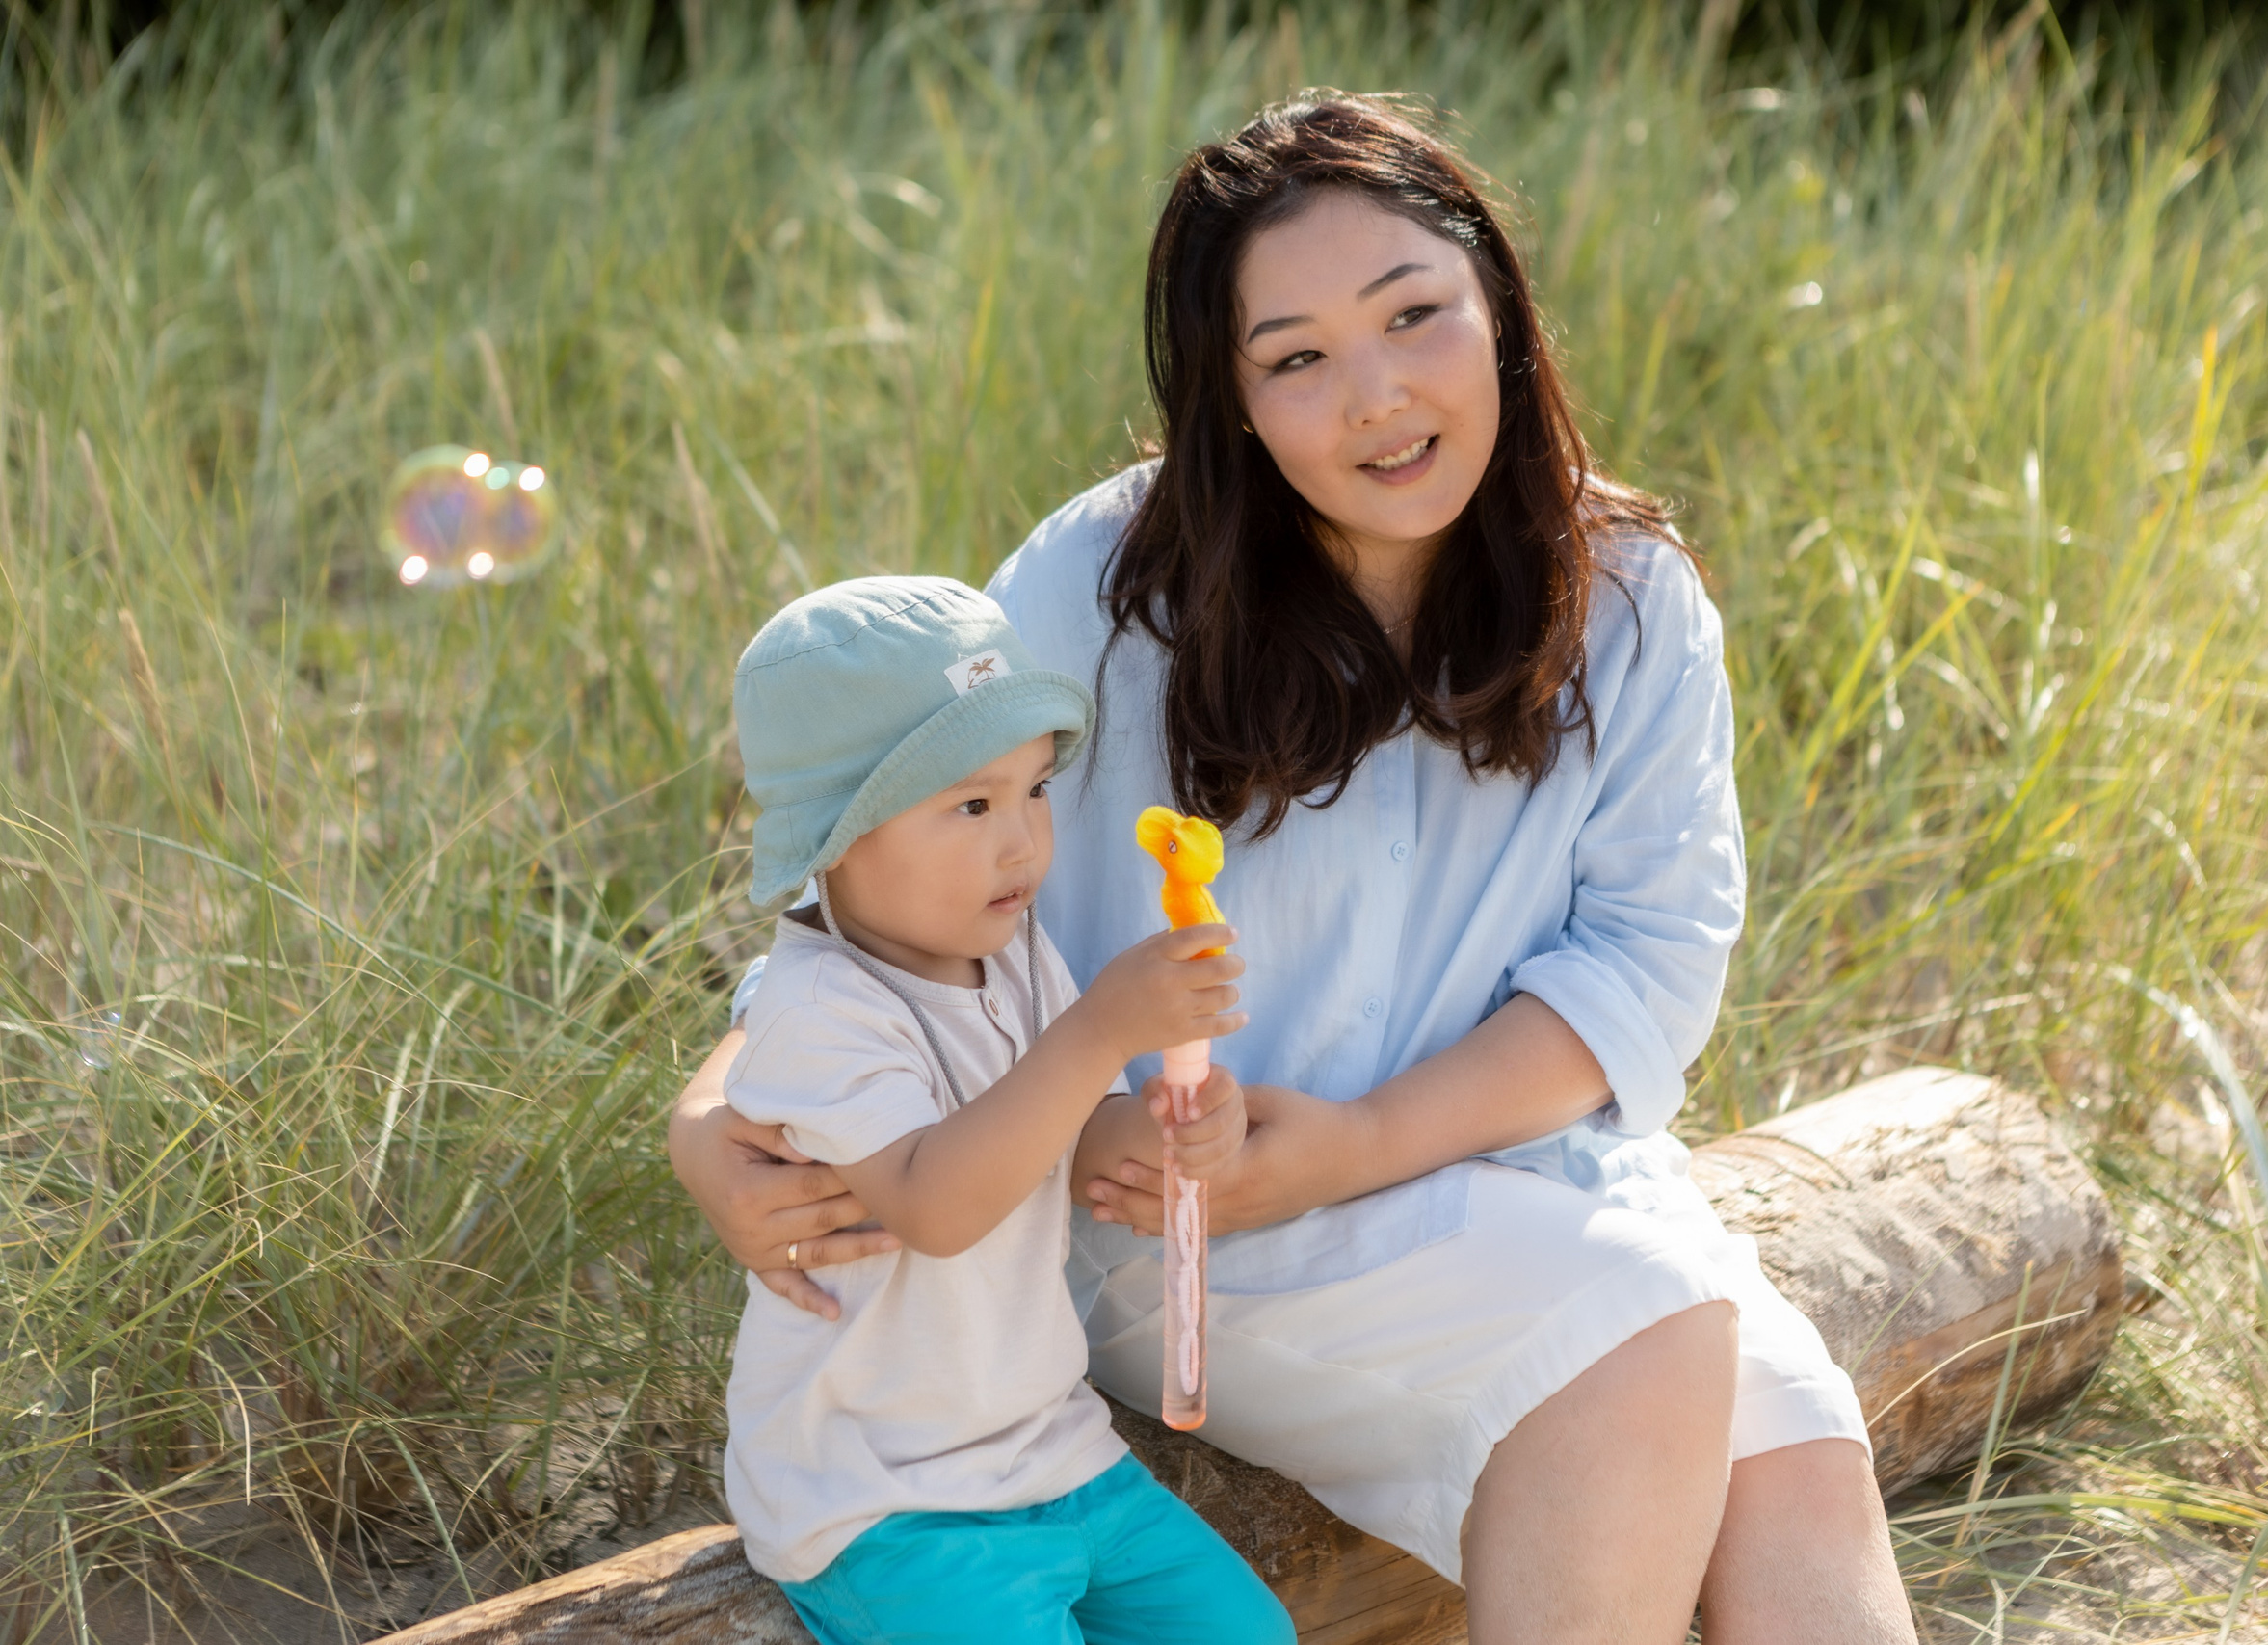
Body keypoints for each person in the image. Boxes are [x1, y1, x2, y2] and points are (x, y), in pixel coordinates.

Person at [677, 98, 1919, 1644]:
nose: (1380, 395)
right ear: (1234, 396)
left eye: (1416, 316)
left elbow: (1647, 963)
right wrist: (716, 1099)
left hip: (1517, 1171)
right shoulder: (1102, 583)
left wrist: (1365, 1138)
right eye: (1297, 356)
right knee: (1650, 1328)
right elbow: (901, 859)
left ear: (1500, 313)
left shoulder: (1634, 595)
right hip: (1188, 1222)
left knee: (1797, 1461)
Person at [720, 576, 1293, 1644]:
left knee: (1247, 1634)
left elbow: (1079, 1145)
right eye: (971, 805)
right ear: (838, 837)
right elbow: (936, 1206)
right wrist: (1098, 1032)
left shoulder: (1012, 956)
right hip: (885, 1494)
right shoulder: (820, 1008)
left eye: (1034, 790)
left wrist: (1178, 1123)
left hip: (1048, 1445)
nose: (1022, 841)